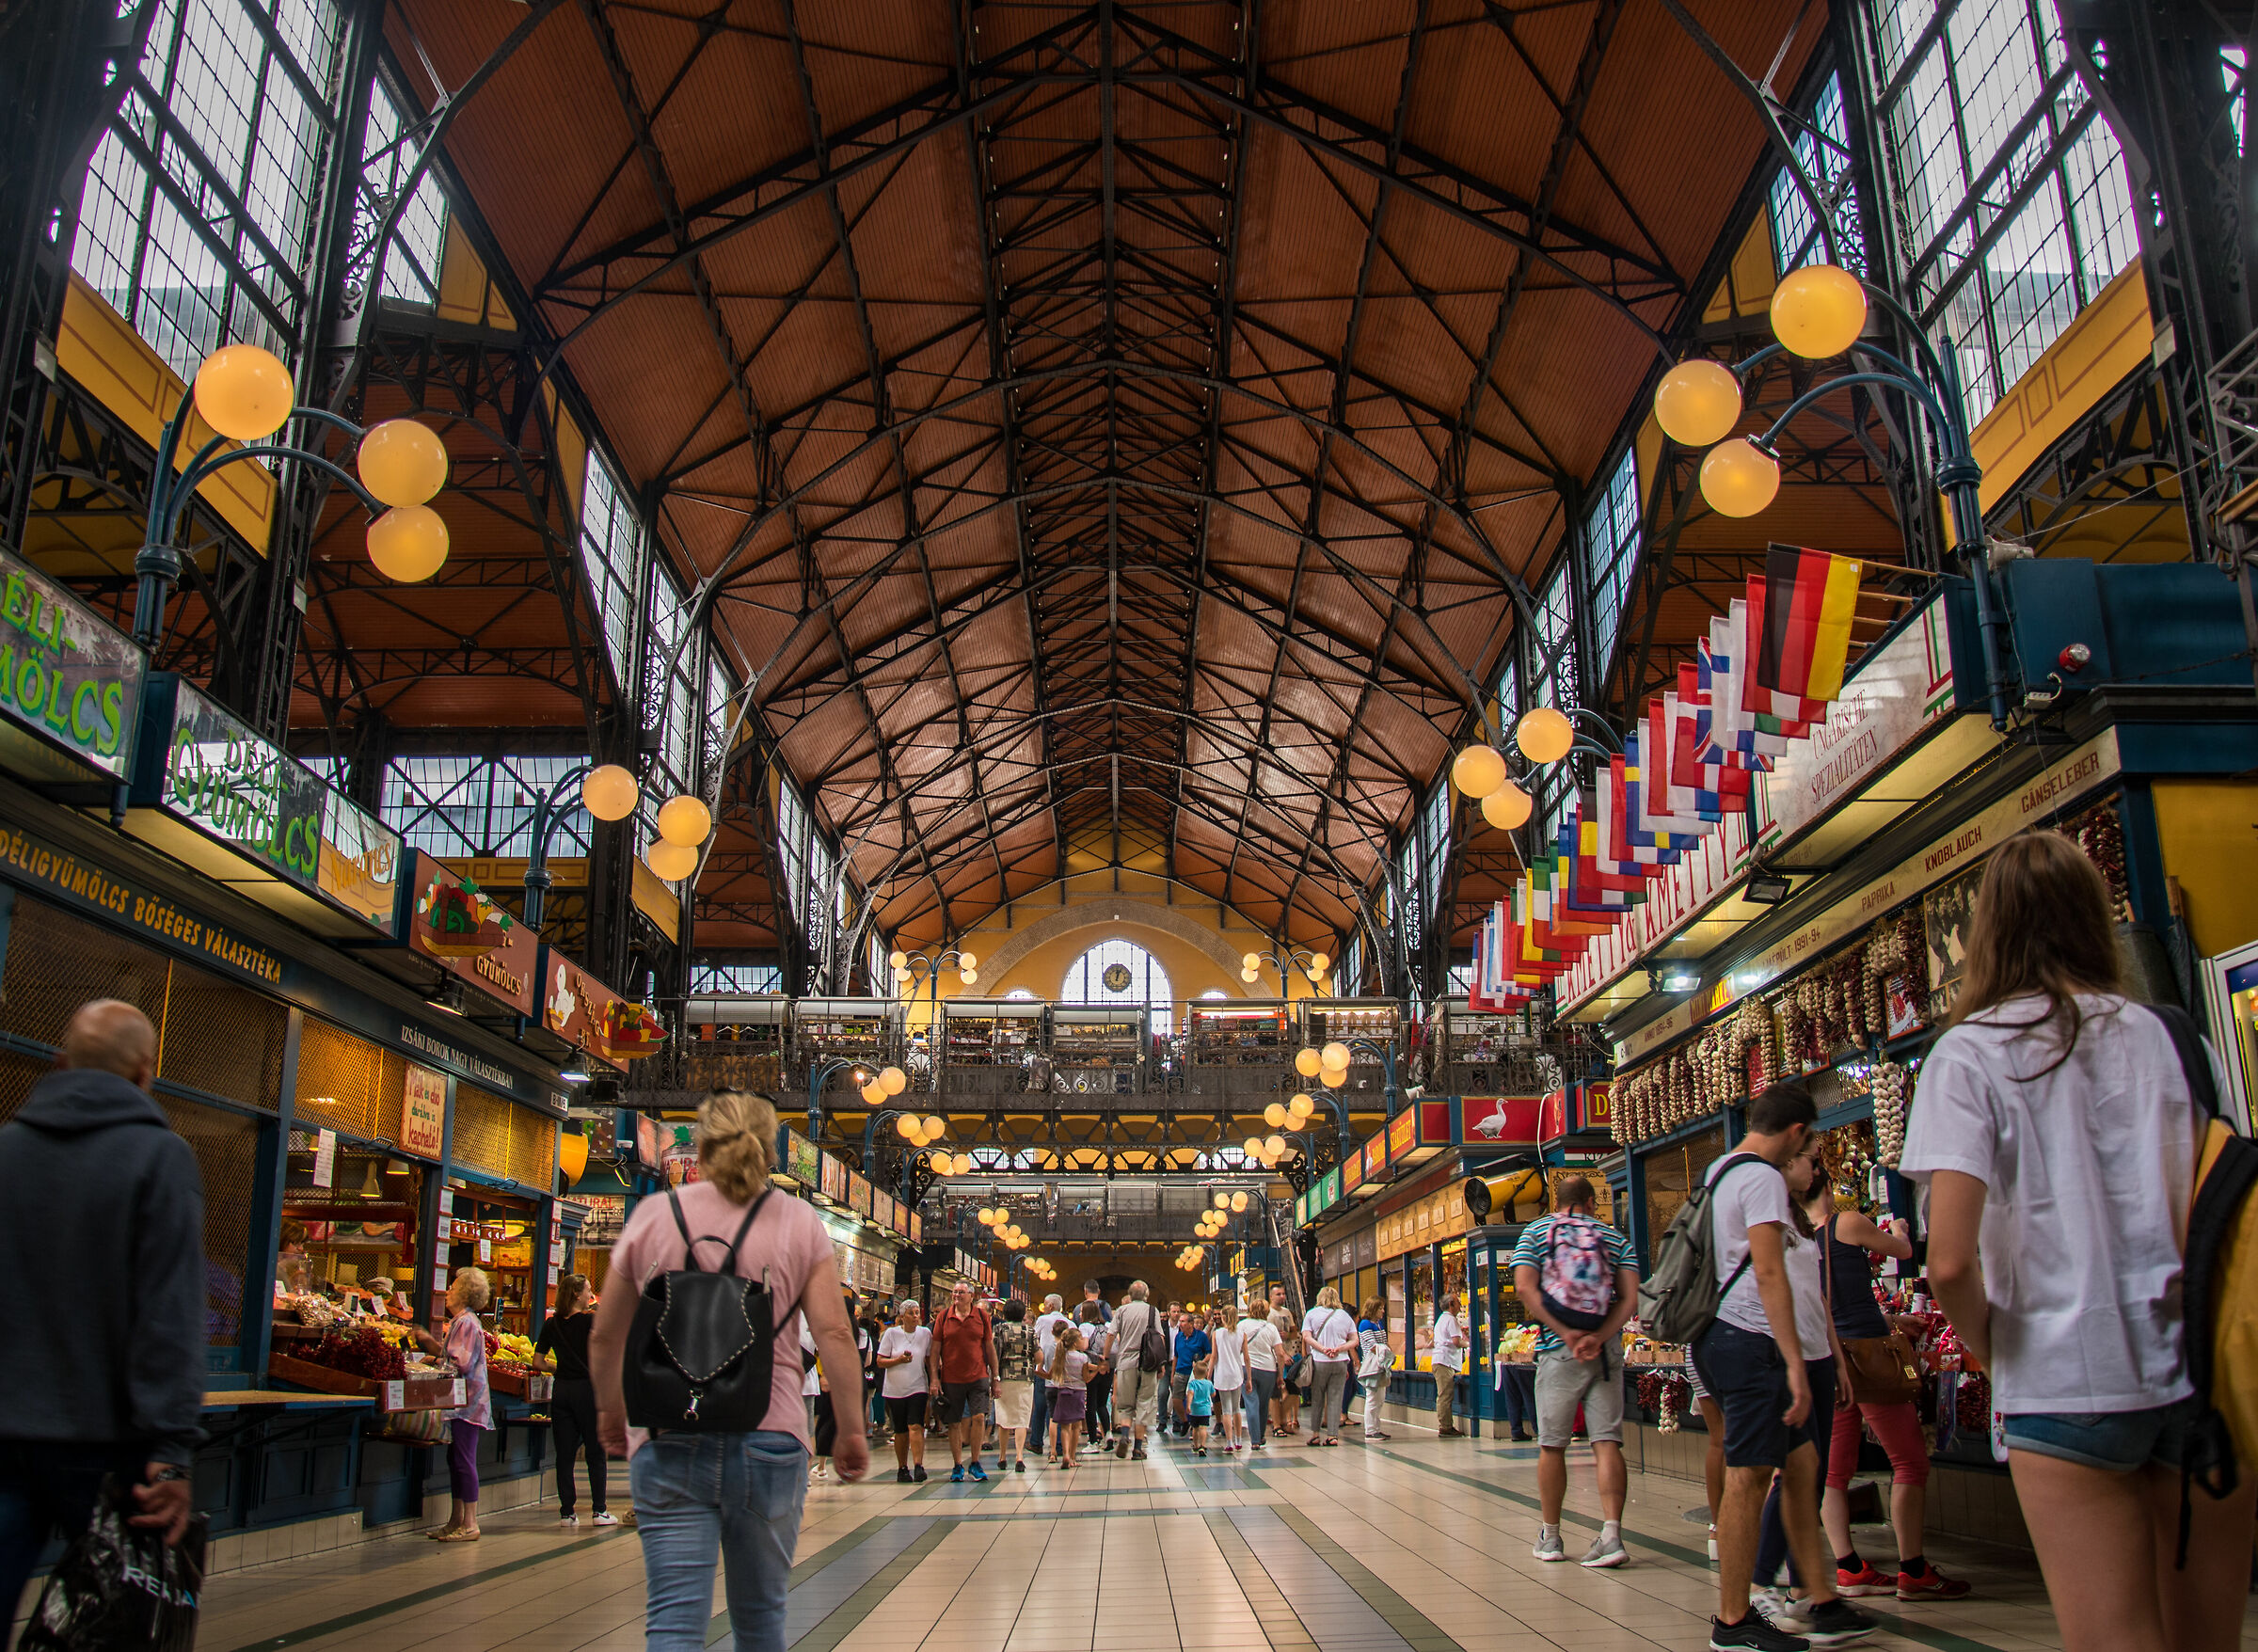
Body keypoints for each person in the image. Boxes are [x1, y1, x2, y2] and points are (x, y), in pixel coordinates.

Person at [1903, 831, 2254, 1652]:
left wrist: (1995, 1352)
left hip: (2063, 1378)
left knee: (2115, 1637)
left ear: (1984, 934)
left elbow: (1949, 1258)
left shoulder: (1970, 1055)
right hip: (2193, 1371)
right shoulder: (2170, 1040)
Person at [591, 1089, 867, 1652]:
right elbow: (836, 1334)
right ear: (770, 1149)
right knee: (761, 1618)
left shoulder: (654, 1215)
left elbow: (606, 1333)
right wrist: (851, 1429)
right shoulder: (798, 1221)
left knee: (673, 1619)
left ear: (700, 1146)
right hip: (770, 1436)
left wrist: (612, 1412)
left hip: (669, 1434)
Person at [0, 1000, 202, 1623]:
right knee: (117, 1621)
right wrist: (170, 1451)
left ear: (60, 1062)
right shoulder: (160, 1158)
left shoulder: (6, 1150)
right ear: (146, 1072)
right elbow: (168, 1317)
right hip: (111, 1449)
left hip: (5, 1434)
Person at [1691, 1082, 1872, 1651]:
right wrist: (1797, 1364)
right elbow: (1768, 1273)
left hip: (1722, 1336)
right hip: (1751, 1343)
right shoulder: (1763, 1178)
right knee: (1749, 1475)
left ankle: (1821, 1600)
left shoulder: (1719, 1169)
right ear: (1796, 1133)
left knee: (1801, 1468)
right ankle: (1733, 1621)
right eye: (1811, 1147)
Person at [1816, 1194, 1964, 1600]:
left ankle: (1848, 1568)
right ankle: (1913, 1569)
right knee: (1910, 1462)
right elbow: (1902, 1250)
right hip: (1870, 1358)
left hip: (1830, 1360)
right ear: (1824, 1185)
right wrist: (1897, 1229)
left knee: (1834, 1471)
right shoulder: (1844, 1222)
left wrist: (1891, 1318)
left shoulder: (1792, 1237)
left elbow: (1830, 1306)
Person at [1513, 1176, 1640, 1568]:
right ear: (1590, 1201)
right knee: (1606, 1442)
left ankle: (1550, 1537)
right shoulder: (1614, 1238)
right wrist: (1599, 1336)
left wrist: (1566, 1332)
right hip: (1605, 1354)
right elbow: (1631, 1297)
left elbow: (1523, 1287)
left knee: (1552, 1445)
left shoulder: (1535, 1232)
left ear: (1557, 1200)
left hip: (1557, 1350)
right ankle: (1612, 1535)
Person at [1750, 1140, 1844, 1626]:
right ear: (1787, 1163)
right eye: (1810, 1159)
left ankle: (1803, 1586)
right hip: (1790, 1360)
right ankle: (1763, 1582)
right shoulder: (1765, 1222)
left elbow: (1819, 1300)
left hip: (1820, 1358)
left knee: (1813, 1472)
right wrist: (1788, 1362)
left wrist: (1840, 1363)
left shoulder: (1803, 1226)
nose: (1816, 1168)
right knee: (1793, 1473)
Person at [408, 1266, 494, 1541]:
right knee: (456, 1459)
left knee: (464, 1460)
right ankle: (456, 1519)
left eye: (454, 1286)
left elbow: (460, 1362)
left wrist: (434, 1362)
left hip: (468, 1403)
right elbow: (452, 1355)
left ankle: (470, 1523)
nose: (448, 1290)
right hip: (459, 1402)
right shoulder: (461, 1321)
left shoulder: (467, 1322)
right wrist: (429, 1345)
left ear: (466, 1293)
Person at [538, 1274, 614, 1527]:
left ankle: (567, 1512)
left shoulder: (552, 1324)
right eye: (588, 1291)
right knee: (595, 1450)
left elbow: (537, 1361)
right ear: (576, 1294)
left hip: (561, 1390)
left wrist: (558, 1367)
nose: (590, 1295)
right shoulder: (591, 1322)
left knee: (565, 1454)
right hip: (587, 1390)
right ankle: (599, 1510)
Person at [932, 1279, 996, 1484]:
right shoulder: (944, 1317)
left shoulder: (981, 1316)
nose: (957, 1295)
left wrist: (995, 1378)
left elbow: (989, 1347)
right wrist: (934, 1378)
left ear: (971, 1295)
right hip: (951, 1378)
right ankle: (958, 1464)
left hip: (978, 1376)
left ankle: (975, 1462)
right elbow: (935, 1350)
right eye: (955, 1292)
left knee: (979, 1417)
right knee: (954, 1422)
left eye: (961, 1292)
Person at [875, 1298, 931, 1482]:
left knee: (916, 1425)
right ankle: (902, 1467)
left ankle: (918, 1465)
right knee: (900, 1430)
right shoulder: (891, 1334)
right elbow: (880, 1361)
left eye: (917, 1313)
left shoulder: (925, 1334)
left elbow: (929, 1360)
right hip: (894, 1389)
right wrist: (898, 1360)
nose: (915, 1317)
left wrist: (934, 1380)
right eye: (911, 1313)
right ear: (902, 1316)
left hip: (918, 1386)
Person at [1109, 1280, 1160, 1459]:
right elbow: (1160, 1337)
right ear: (1147, 1294)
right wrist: (1160, 1365)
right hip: (1148, 1363)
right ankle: (1138, 1449)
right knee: (1144, 1404)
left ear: (1130, 1295)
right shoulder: (1152, 1311)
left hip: (1125, 1363)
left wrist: (1106, 1357)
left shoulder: (1122, 1311)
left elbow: (1110, 1334)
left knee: (1125, 1404)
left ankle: (1124, 1436)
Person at [1299, 1287, 1356, 1446]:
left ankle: (1315, 1434)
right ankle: (1332, 1436)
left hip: (1320, 1361)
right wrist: (1339, 1349)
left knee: (1317, 1398)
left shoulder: (1311, 1314)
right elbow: (1354, 1340)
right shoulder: (1344, 1316)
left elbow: (1306, 1337)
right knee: (1335, 1399)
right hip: (1340, 1362)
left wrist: (1322, 1349)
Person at [994, 1299, 1037, 1472]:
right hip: (1025, 1378)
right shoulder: (1030, 1331)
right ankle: (1019, 1456)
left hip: (1004, 1377)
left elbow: (995, 1353)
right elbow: (1038, 1355)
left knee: (1003, 1418)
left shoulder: (999, 1329)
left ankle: (1002, 1457)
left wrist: (994, 1377)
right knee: (1022, 1417)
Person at [1030, 1293, 1071, 1461]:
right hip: (1063, 1373)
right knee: (1058, 1411)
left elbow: (1033, 1338)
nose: (1044, 1307)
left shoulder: (1042, 1320)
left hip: (1045, 1370)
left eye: (1045, 1304)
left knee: (1040, 1407)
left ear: (1051, 1306)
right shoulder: (1071, 1323)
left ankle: (1036, 1442)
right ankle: (1059, 1446)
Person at [1047, 1324, 1094, 1468]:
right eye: (1080, 1339)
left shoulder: (1060, 1356)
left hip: (1063, 1391)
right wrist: (1097, 1371)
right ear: (1075, 1342)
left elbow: (1052, 1374)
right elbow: (1086, 1378)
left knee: (1065, 1426)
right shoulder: (1083, 1358)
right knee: (1077, 1426)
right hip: (1079, 1392)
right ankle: (1073, 1457)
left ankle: (1065, 1454)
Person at [1238, 1297, 1281, 1449]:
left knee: (1251, 1403)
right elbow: (1280, 1353)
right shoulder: (1271, 1328)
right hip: (1268, 1370)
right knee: (1263, 1404)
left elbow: (1237, 1347)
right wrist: (1280, 1375)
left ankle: (1255, 1439)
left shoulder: (1242, 1325)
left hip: (1246, 1368)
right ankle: (1261, 1435)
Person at [1431, 1292, 1470, 1437]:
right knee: (1445, 1395)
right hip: (1444, 1361)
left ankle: (1446, 1425)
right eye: (1457, 1302)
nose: (1460, 1304)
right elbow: (1456, 1341)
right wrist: (1470, 1344)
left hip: (1443, 1360)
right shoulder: (1451, 1320)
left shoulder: (1442, 1319)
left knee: (1444, 1394)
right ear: (1451, 1305)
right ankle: (1445, 1426)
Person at [1207, 1306, 1245, 1453]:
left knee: (1226, 1410)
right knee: (1236, 1409)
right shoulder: (1242, 1334)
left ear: (1223, 1317)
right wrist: (1248, 1377)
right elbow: (1246, 1358)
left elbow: (1214, 1356)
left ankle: (1229, 1442)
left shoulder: (1217, 1334)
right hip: (1236, 1373)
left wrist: (1209, 1374)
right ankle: (1239, 1440)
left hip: (1222, 1373)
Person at [1355, 1296, 1392, 1441]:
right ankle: (1370, 1430)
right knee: (1372, 1398)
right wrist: (1386, 1352)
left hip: (1381, 1366)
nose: (1383, 1311)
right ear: (1373, 1309)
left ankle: (1376, 1428)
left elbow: (1384, 1343)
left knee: (1380, 1399)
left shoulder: (1378, 1324)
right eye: (1380, 1308)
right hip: (1372, 1366)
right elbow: (1373, 1346)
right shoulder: (1365, 1324)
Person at [1172, 1302, 1211, 1440]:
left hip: (1195, 1374)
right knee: (1176, 1399)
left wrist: (1201, 1364)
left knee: (1194, 1399)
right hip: (1180, 1371)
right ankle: (1184, 1420)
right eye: (1180, 1321)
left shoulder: (1200, 1336)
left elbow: (1209, 1353)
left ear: (1190, 1324)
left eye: (1183, 1321)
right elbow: (1175, 1356)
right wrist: (1173, 1374)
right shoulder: (1179, 1337)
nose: (1180, 1323)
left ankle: (1195, 1425)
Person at [1079, 1302, 1114, 1438]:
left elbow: (1084, 1345)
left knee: (1091, 1405)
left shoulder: (1084, 1327)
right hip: (1108, 1367)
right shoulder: (1107, 1325)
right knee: (1102, 1404)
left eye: (1082, 1311)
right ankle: (1109, 1435)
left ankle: (1092, 1440)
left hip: (1092, 1368)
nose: (1080, 1314)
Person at [1272, 1306, 1303, 1437]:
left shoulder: (1280, 1335)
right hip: (1297, 1361)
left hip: (1285, 1363)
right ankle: (1294, 1419)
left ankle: (1287, 1419)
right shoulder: (1298, 1335)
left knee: (1285, 1391)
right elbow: (1303, 1350)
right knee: (1295, 1392)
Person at [1186, 1368, 1215, 1455]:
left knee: (1195, 1428)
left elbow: (1190, 1393)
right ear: (1206, 1373)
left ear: (1194, 1373)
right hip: (1205, 1410)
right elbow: (1213, 1394)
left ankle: (1195, 1446)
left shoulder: (1192, 1383)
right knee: (1203, 1428)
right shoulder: (1209, 1383)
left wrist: (1188, 1405)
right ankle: (1202, 1445)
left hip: (1195, 1410)